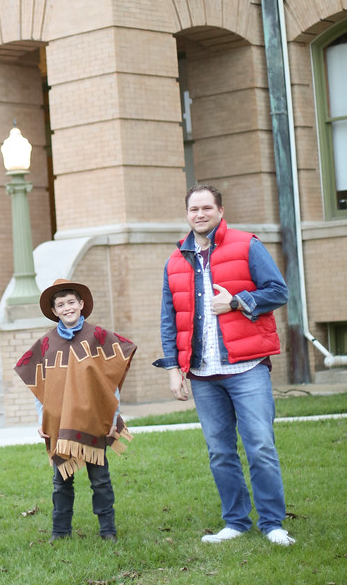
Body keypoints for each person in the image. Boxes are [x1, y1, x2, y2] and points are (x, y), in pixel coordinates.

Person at [157, 183, 295, 545]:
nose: (199, 214)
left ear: (219, 210)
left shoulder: (246, 244)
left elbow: (278, 290)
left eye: (206, 208)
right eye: (193, 209)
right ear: (186, 214)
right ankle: (235, 522)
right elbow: (169, 319)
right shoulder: (175, 260)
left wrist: (236, 302)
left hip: (246, 367)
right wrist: (174, 368)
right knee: (220, 452)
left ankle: (272, 524)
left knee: (260, 445)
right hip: (202, 373)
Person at [15, 279, 136, 543]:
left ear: (81, 305)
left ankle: (108, 530)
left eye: (72, 302)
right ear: (54, 311)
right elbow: (41, 387)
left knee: (100, 478)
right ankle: (60, 532)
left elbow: (110, 380)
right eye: (61, 304)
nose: (67, 307)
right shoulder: (46, 344)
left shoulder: (98, 337)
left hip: (94, 418)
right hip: (60, 422)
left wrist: (114, 415)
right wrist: (42, 419)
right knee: (62, 479)